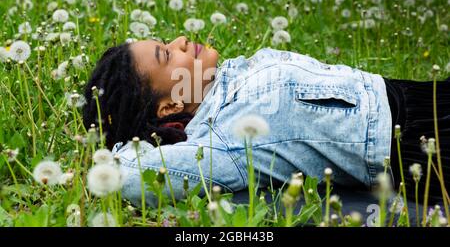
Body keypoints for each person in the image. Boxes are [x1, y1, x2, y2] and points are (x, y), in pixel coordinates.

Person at [82, 36, 450, 207]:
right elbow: (125, 174)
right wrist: (110, 141)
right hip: (421, 142)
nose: (180, 40)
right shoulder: (224, 144)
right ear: (167, 107)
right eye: (166, 54)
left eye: (165, 40)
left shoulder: (229, 78)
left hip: (414, 95)